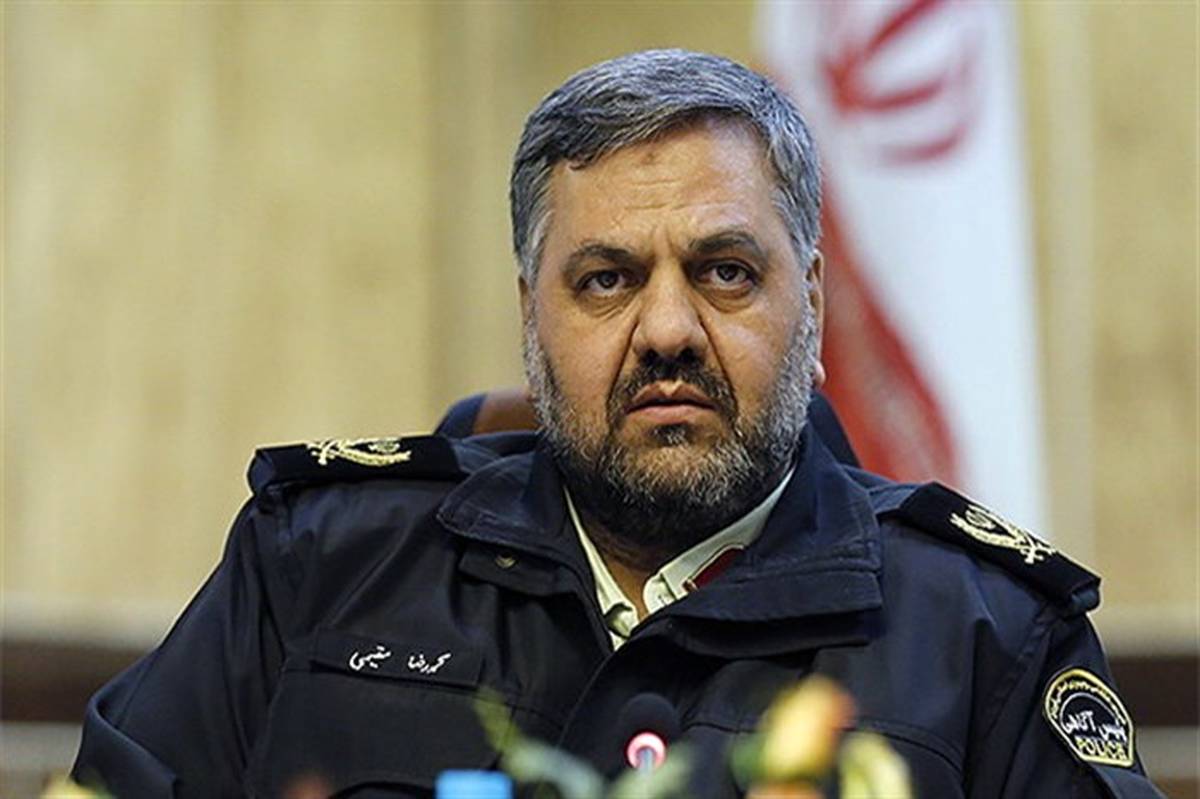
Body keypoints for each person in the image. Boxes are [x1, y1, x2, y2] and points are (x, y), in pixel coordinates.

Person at [73, 49, 1163, 798]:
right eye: (606, 280)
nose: (668, 331)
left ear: (813, 300)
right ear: (529, 317)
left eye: (724, 271)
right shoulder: (318, 561)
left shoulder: (986, 633)